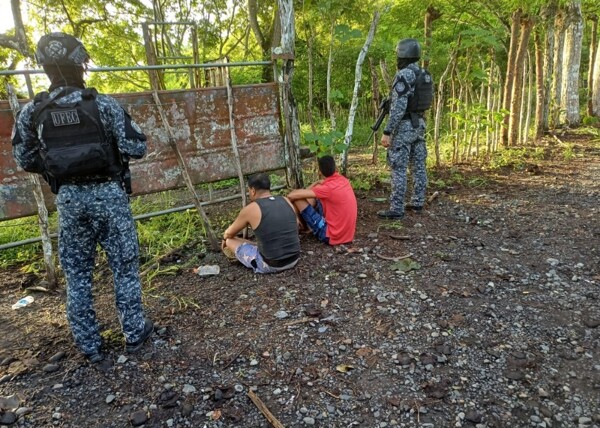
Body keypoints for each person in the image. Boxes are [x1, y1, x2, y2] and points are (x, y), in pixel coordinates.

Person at [11, 32, 153, 363]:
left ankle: (89, 345)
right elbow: (137, 147)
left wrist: (58, 167)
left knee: (77, 275)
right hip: (109, 196)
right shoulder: (103, 105)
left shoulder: (34, 111)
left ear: (44, 67)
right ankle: (134, 334)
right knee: (124, 268)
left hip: (70, 201)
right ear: (80, 64)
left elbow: (24, 158)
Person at [378, 38, 432, 219]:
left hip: (405, 127)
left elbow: (398, 108)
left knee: (398, 167)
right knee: (418, 165)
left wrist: (387, 131)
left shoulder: (404, 75)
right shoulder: (424, 74)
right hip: (420, 125)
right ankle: (417, 202)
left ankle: (396, 209)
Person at [222, 173, 300, 274]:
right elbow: (296, 224)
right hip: (294, 258)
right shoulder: (285, 200)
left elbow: (229, 233)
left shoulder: (251, 209)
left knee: (230, 241)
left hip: (271, 264)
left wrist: (224, 240)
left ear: (253, 190)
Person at [288, 155, 357, 246]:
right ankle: (307, 225)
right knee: (314, 194)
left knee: (298, 200)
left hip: (331, 235)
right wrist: (317, 183)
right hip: (347, 234)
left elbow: (291, 195)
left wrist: (315, 183)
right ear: (335, 168)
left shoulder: (327, 188)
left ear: (319, 172)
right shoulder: (344, 180)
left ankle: (305, 228)